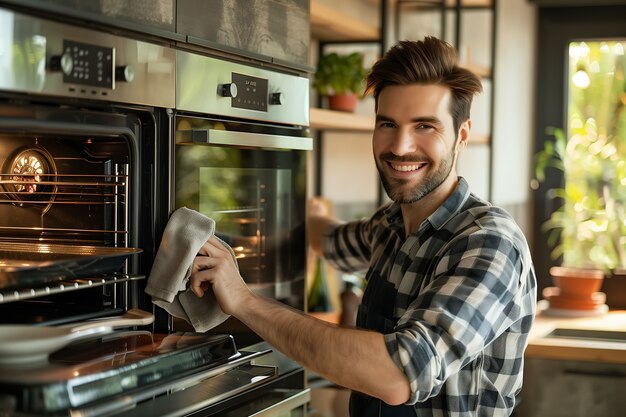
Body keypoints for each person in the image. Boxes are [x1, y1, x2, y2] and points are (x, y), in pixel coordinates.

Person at [190, 36, 537, 417]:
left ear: (462, 136)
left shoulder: (488, 243)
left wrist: (244, 301)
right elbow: (328, 238)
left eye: (425, 126)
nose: (401, 146)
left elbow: (399, 373)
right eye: (388, 123)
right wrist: (296, 212)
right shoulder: (388, 227)